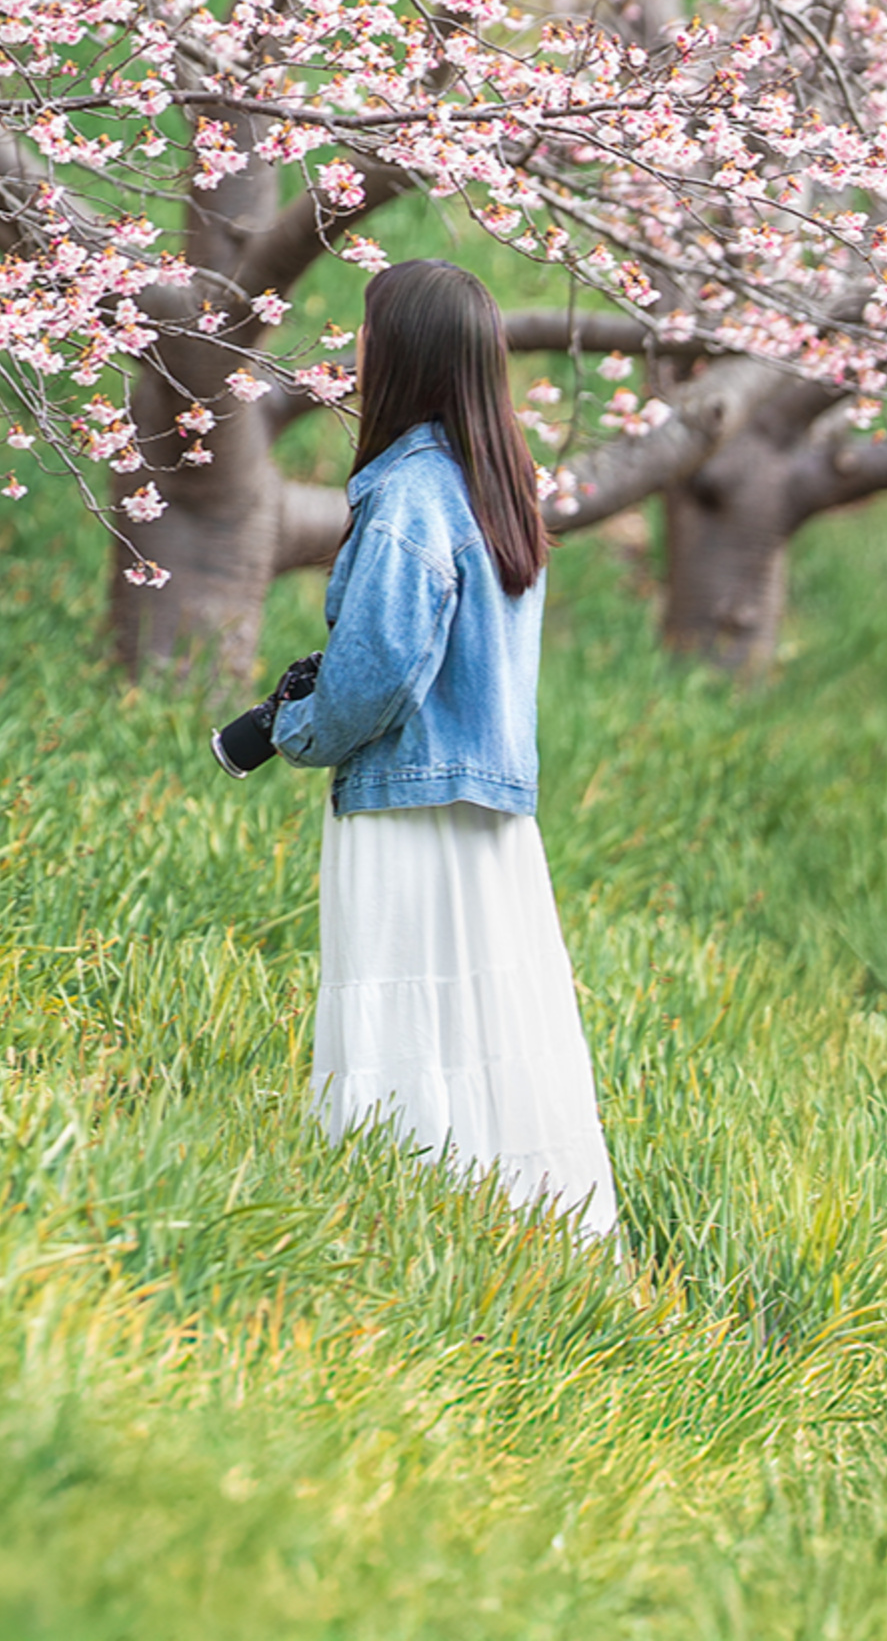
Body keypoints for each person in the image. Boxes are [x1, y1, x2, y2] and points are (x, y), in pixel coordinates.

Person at [267, 257, 619, 1235]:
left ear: (405, 356)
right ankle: (527, 1234)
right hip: (490, 813)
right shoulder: (497, 485)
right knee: (492, 1022)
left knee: (404, 1018)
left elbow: (377, 671)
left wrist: (297, 730)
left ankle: (391, 1224)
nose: (355, 351)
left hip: (406, 801)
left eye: (368, 335)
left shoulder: (413, 493)